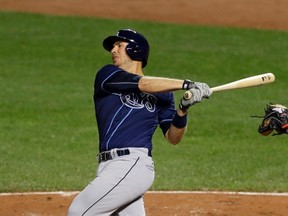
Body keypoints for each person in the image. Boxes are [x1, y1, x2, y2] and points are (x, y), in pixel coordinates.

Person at [67, 28, 212, 216]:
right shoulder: (107, 75)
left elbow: (173, 137)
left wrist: (183, 109)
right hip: (108, 167)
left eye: (119, 45)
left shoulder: (164, 94)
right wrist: (186, 84)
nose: (113, 50)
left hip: (132, 164)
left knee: (79, 212)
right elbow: (142, 84)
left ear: (136, 50)